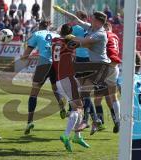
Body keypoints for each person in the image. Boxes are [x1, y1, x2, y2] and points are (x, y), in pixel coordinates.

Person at [53, 6, 111, 135]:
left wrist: (70, 37)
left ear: (98, 21)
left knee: (83, 91)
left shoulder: (100, 34)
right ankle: (94, 120)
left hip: (101, 67)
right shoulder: (92, 28)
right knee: (80, 90)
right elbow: (76, 19)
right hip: (92, 65)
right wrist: (62, 11)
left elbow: (84, 42)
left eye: (93, 19)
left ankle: (87, 121)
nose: (90, 20)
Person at [20, 20, 65, 135]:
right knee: (55, 87)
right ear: (49, 26)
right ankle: (61, 106)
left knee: (34, 93)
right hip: (56, 64)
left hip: (43, 64)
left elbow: (26, 54)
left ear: (39, 26)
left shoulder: (37, 34)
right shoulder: (56, 35)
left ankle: (29, 122)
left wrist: (23, 58)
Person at [52, 23, 90, 152]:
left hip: (59, 80)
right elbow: (84, 42)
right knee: (78, 108)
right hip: (67, 79)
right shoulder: (68, 45)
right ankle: (66, 135)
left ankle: (77, 136)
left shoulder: (55, 42)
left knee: (79, 107)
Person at [94, 22, 121, 133]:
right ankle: (117, 121)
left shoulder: (104, 36)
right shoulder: (115, 36)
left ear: (105, 28)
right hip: (115, 67)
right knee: (112, 97)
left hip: (104, 68)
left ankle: (100, 122)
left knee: (97, 100)